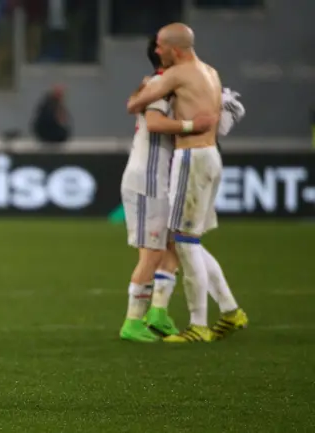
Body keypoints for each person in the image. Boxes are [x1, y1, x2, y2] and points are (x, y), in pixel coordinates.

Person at [127, 23, 248, 343]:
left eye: (160, 46)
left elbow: (137, 109)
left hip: (190, 160)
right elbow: (225, 117)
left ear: (172, 49)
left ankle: (197, 324)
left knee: (183, 243)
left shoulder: (172, 78)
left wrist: (148, 93)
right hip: (209, 157)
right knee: (184, 241)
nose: (157, 50)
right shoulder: (209, 72)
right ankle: (227, 309)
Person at [119, 35, 214, 342]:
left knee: (172, 245)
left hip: (163, 177)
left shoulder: (167, 85)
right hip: (148, 178)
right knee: (152, 252)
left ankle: (158, 311)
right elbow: (156, 123)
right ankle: (132, 322)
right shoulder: (160, 85)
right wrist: (192, 127)